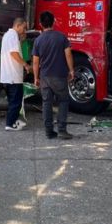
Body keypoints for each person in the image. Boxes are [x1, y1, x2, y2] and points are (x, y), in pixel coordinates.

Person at [32, 11, 75, 140]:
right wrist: (71, 70)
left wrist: (36, 77)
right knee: (63, 101)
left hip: (45, 77)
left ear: (40, 24)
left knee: (46, 103)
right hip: (59, 76)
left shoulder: (38, 40)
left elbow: (35, 61)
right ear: (54, 22)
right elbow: (68, 54)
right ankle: (62, 130)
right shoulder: (62, 37)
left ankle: (49, 131)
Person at [1, 17, 31, 131]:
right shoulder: (13, 35)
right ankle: (10, 124)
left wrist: (21, 40)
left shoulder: (8, 35)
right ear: (18, 25)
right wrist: (25, 65)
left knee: (12, 101)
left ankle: (12, 121)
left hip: (8, 75)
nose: (24, 30)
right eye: (24, 28)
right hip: (13, 75)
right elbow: (14, 53)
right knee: (16, 102)